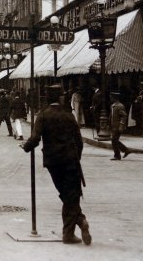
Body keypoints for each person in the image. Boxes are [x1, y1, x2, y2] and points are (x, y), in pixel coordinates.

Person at [21, 86, 91, 245]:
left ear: (47, 98)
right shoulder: (69, 116)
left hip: (53, 163)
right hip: (70, 162)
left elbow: (35, 138)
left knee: (66, 195)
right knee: (71, 195)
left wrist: (26, 147)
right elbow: (79, 142)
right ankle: (76, 225)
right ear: (60, 98)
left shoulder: (43, 116)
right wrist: (75, 158)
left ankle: (74, 228)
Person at [109, 92, 131, 160]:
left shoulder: (120, 106)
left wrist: (121, 125)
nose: (110, 98)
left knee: (114, 140)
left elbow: (124, 116)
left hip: (118, 126)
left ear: (114, 98)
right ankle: (125, 151)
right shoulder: (113, 106)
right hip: (113, 126)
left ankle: (118, 155)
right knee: (114, 141)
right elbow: (111, 116)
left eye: (111, 97)